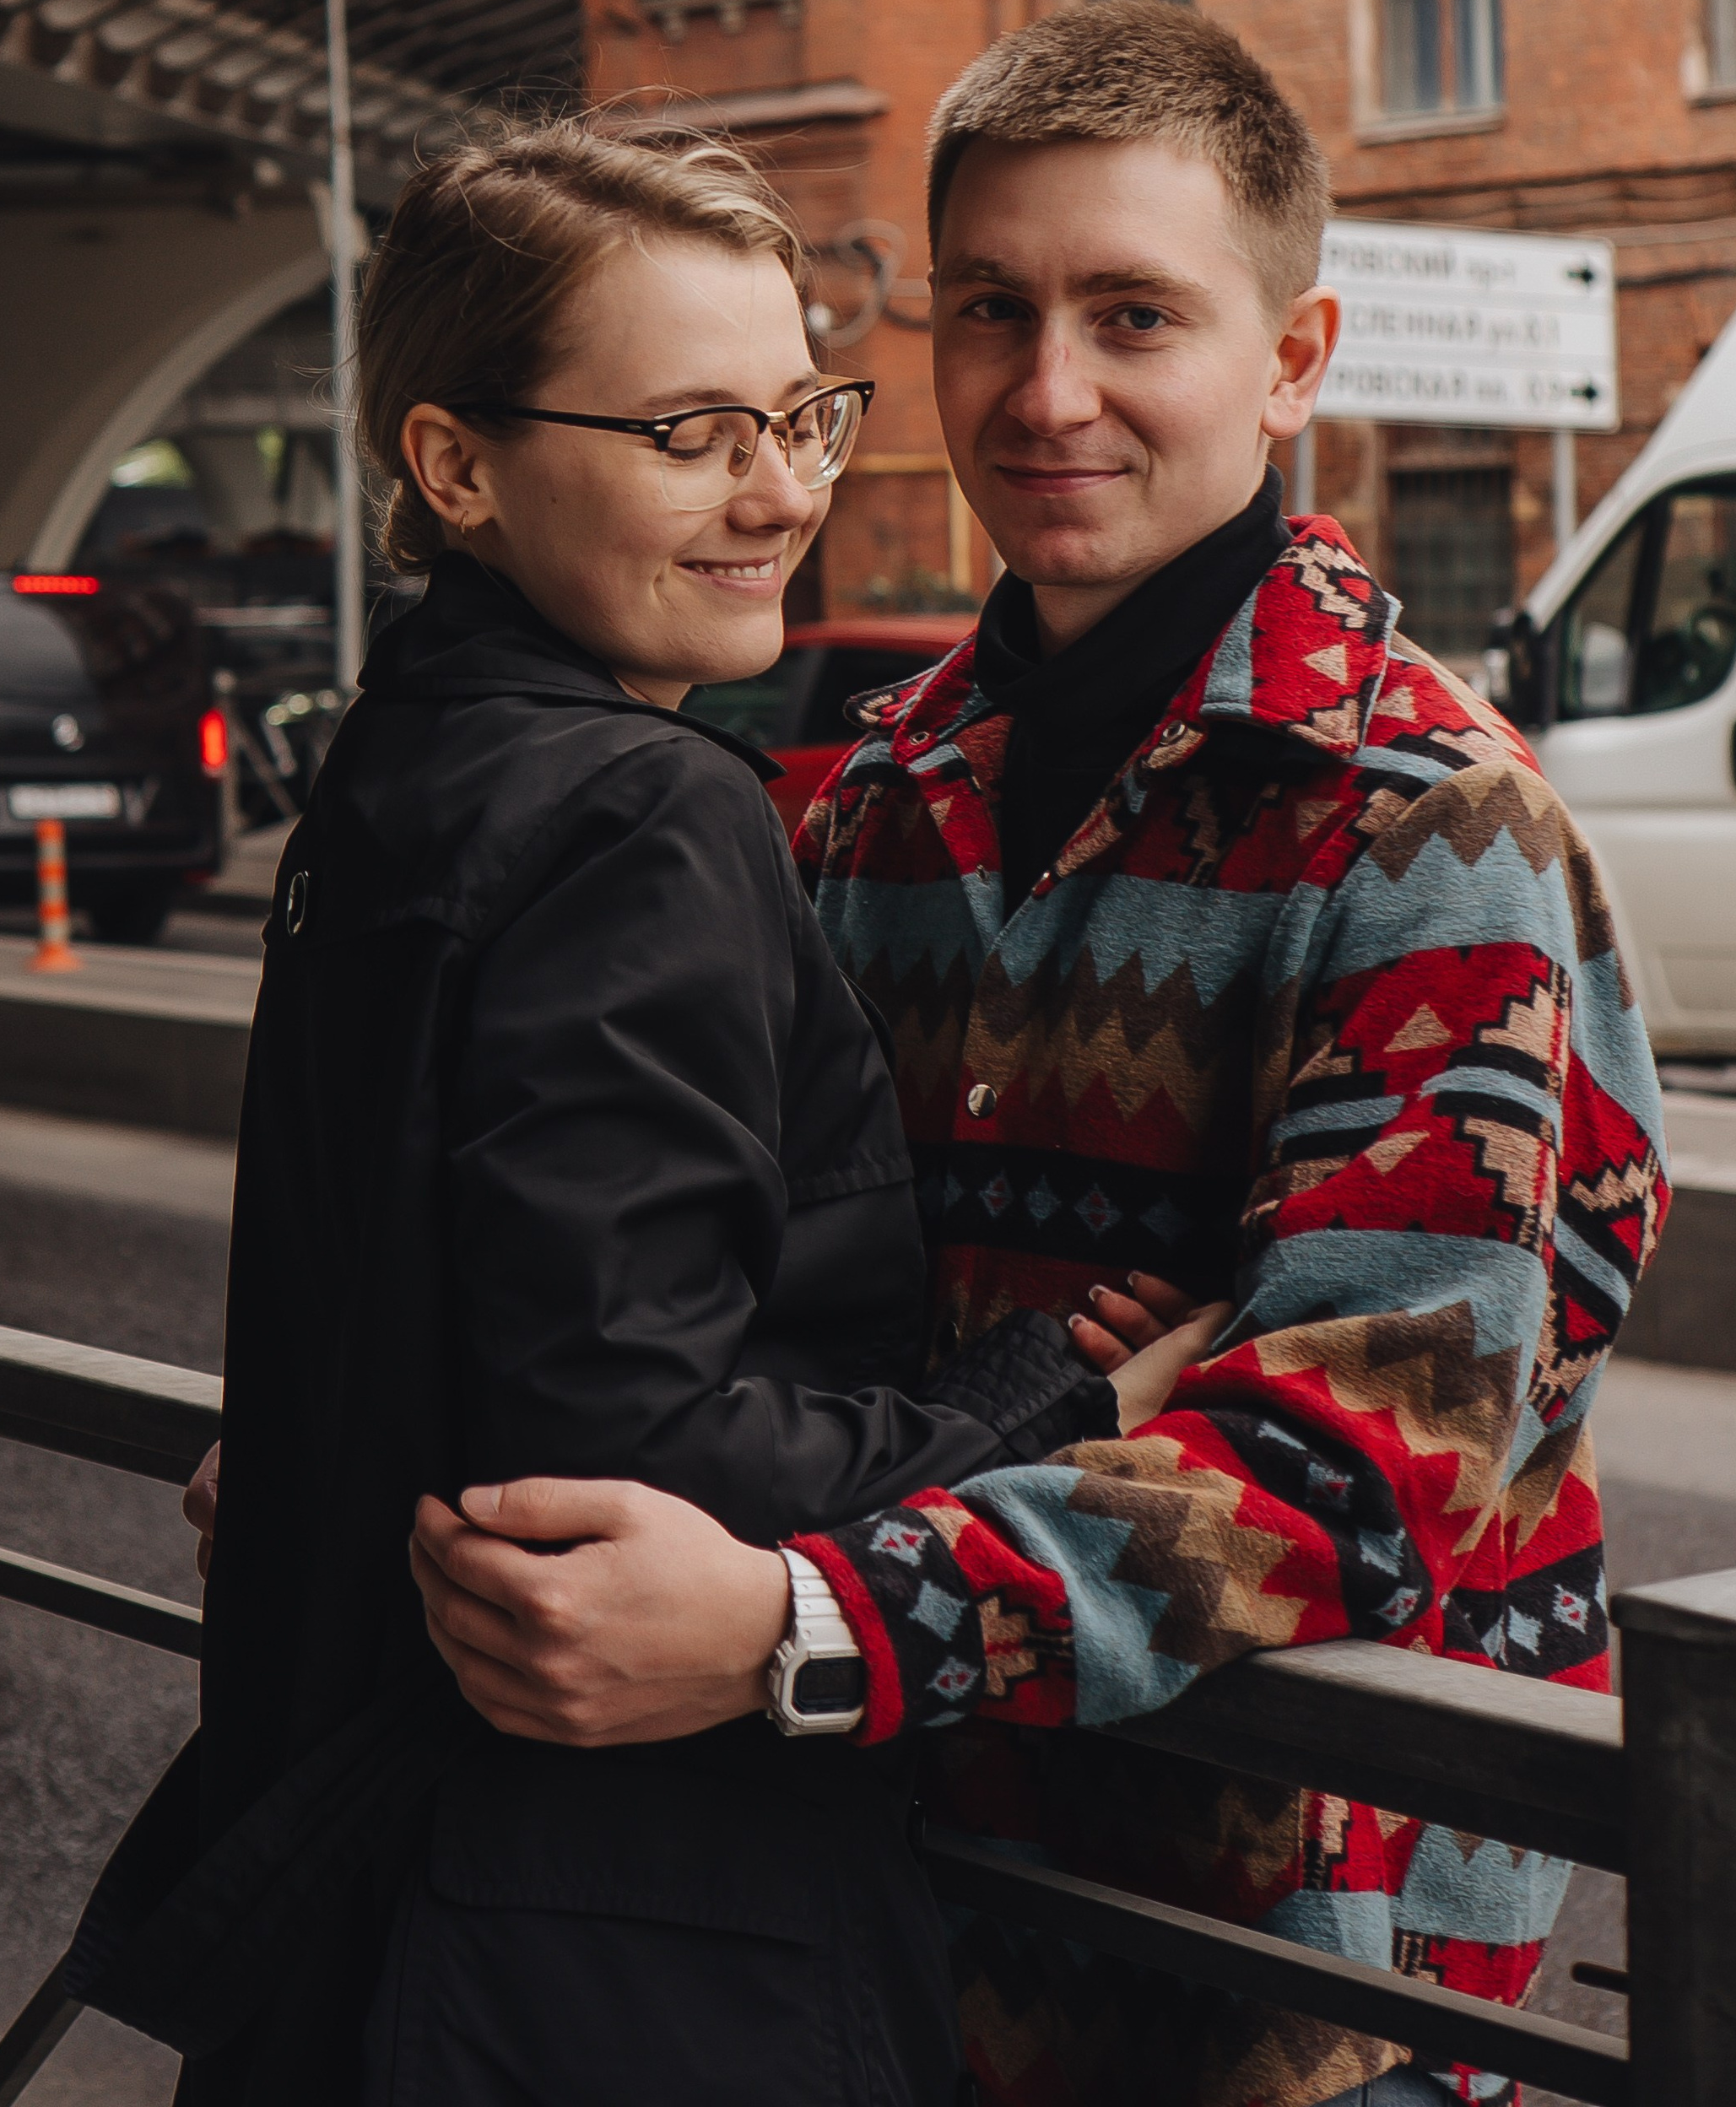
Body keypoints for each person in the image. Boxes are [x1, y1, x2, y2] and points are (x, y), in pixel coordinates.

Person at [410, 9, 1670, 2107]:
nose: (1045, 389)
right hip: (884, 1909)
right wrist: (388, 1428)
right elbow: (686, 1290)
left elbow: (1352, 1462)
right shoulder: (870, 800)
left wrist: (804, 1627)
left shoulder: (1426, 828)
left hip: (1291, 1983)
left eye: (1131, 314)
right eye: (988, 308)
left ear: (1288, 356)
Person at [160, 119, 1224, 2107]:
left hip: (361, 1886)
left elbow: (426, 1285)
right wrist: (1045, 1412)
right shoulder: (648, 809)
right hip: (606, 1928)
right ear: (454, 464)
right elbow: (620, 1442)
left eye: (799, 413)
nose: (779, 495)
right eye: (688, 434)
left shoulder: (397, 769)